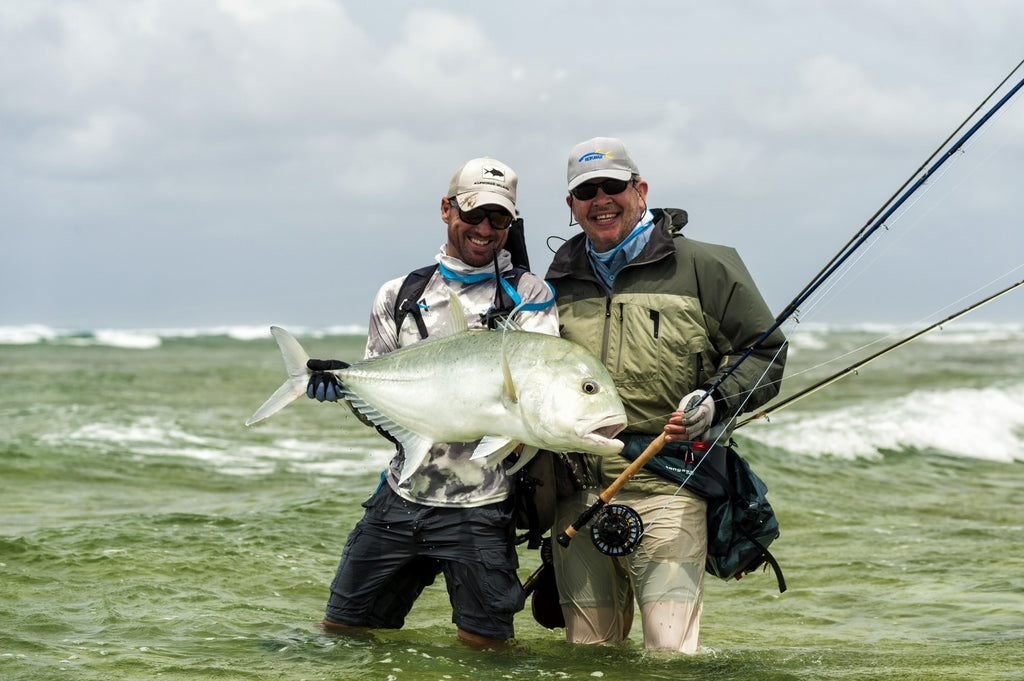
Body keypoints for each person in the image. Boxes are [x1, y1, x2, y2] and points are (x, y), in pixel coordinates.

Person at [545, 137, 786, 653]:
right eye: (586, 191)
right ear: (571, 206)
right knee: (588, 652)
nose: (601, 199)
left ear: (641, 190)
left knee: (669, 655)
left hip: (669, 488)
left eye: (613, 186)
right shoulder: (551, 284)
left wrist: (714, 401)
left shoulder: (707, 265)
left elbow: (763, 353)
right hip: (578, 492)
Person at [306, 157, 558, 649]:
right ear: (447, 209)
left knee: (486, 651)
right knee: (341, 635)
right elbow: (379, 403)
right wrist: (347, 389)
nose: (485, 229)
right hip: (400, 495)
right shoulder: (398, 294)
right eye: (474, 214)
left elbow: (533, 401)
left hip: (482, 506)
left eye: (500, 219)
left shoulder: (530, 296)